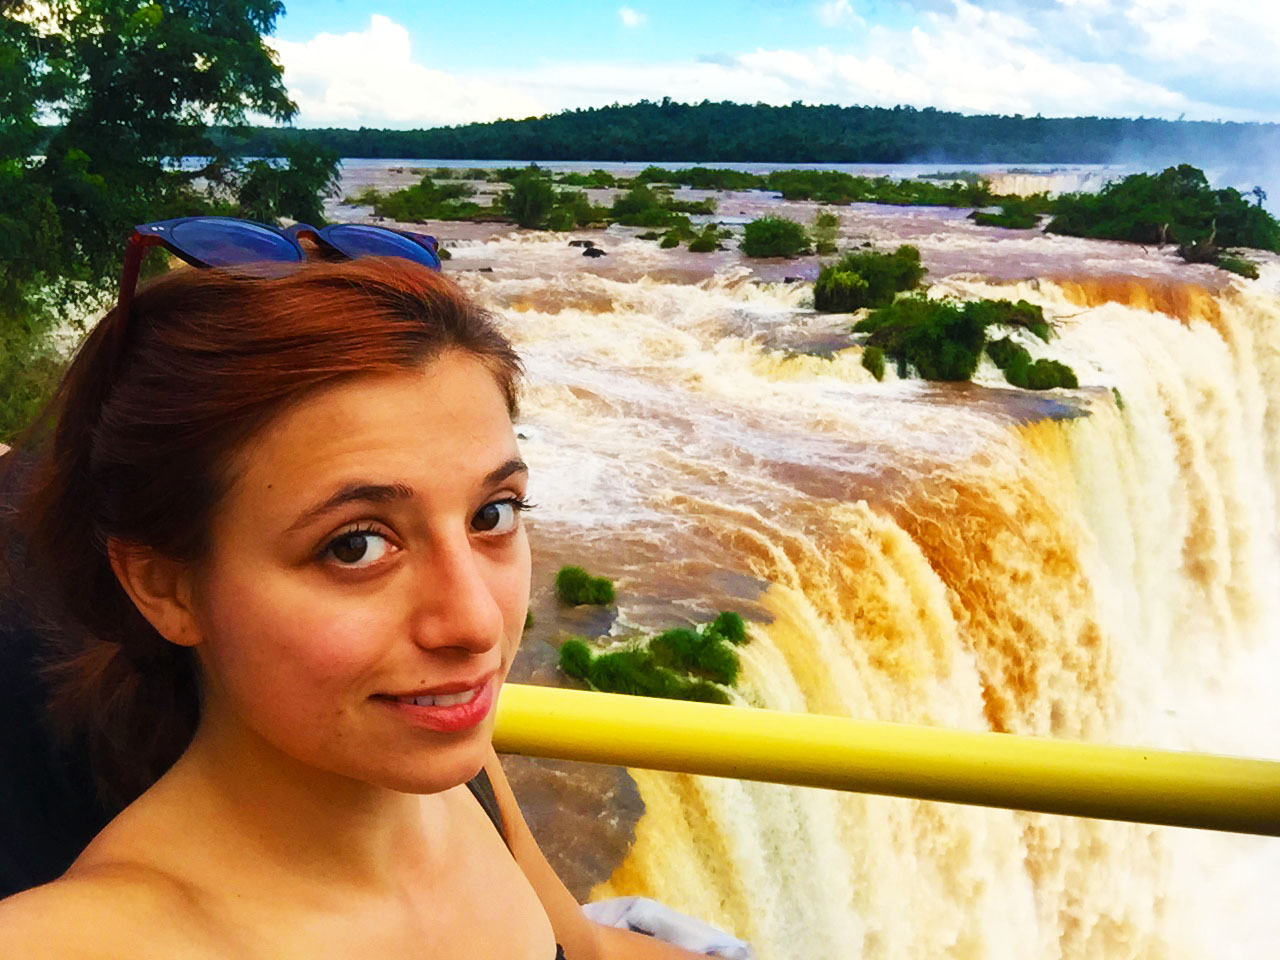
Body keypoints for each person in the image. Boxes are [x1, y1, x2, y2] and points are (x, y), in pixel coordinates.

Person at [0, 219, 703, 958]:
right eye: (356, 545)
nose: (476, 624)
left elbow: (591, 950)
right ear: (165, 586)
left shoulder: (449, 780)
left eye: (492, 515)